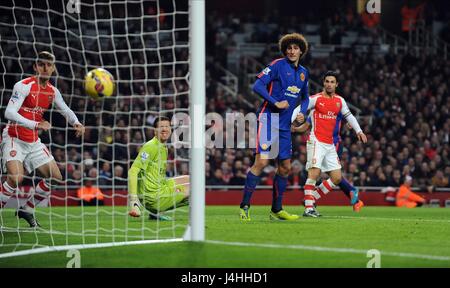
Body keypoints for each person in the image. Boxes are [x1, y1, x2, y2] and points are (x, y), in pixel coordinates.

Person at [0, 51, 85, 227]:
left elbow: (66, 110)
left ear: (53, 68)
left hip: (33, 141)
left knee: (56, 178)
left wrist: (76, 123)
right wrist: (35, 124)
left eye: (49, 65)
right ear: (35, 67)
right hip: (14, 137)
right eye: (41, 64)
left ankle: (27, 209)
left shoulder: (53, 91)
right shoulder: (23, 85)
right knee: (16, 178)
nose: (45, 68)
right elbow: (9, 112)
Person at [239, 33, 310, 221]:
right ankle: (244, 207)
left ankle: (276, 210)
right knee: (261, 162)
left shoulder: (303, 72)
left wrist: (303, 112)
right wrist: (275, 102)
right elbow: (257, 85)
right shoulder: (277, 65)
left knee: (285, 167)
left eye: (295, 48)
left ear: (301, 51)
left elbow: (305, 98)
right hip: (269, 119)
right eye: (289, 48)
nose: (292, 51)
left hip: (286, 126)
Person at [292, 71, 367, 217]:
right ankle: (309, 209)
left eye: (332, 82)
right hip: (317, 141)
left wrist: (359, 131)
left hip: (330, 144)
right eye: (327, 81)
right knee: (314, 173)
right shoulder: (316, 99)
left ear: (336, 84)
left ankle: (311, 198)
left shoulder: (340, 101)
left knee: (337, 178)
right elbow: (300, 108)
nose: (329, 84)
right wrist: (290, 122)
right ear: (323, 83)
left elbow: (349, 116)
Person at [292, 111, 364, 212]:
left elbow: (349, 117)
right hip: (319, 145)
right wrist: (295, 129)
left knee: (330, 174)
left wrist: (350, 125)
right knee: (333, 176)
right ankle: (352, 193)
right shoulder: (314, 110)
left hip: (333, 144)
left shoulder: (335, 106)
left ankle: (311, 199)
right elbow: (306, 125)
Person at [128, 116, 189, 220]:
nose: (164, 129)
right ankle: (155, 210)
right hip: (153, 197)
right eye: (161, 127)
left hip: (160, 187)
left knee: (191, 180)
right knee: (195, 189)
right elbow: (133, 171)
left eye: (167, 126)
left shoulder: (163, 147)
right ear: (155, 131)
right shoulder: (151, 146)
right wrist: (134, 201)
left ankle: (154, 214)